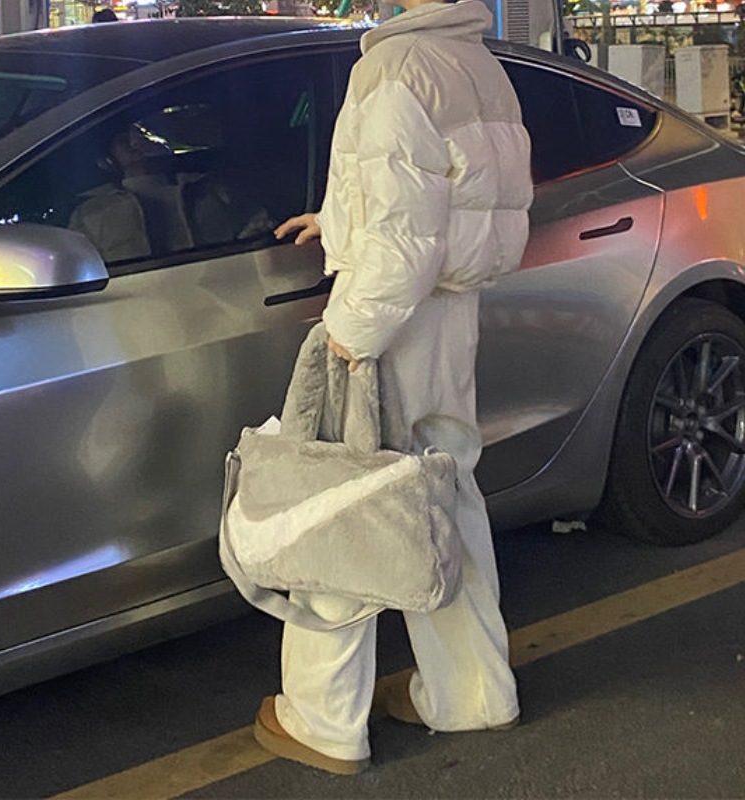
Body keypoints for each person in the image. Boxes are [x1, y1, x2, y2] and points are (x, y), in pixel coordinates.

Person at [254, 0, 533, 775]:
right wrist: (341, 218)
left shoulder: (395, 65)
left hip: (389, 317)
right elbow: (445, 198)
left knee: (342, 504)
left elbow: (406, 232)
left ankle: (323, 719)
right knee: (444, 496)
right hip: (452, 313)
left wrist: (351, 331)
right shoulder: (477, 62)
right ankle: (475, 692)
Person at [69, 123, 273, 262]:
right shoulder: (90, 213)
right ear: (107, 159)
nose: (136, 142)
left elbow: (261, 230)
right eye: (125, 139)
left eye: (145, 134)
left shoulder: (211, 188)